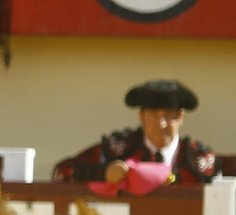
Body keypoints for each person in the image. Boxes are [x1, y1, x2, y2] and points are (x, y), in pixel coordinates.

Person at [52, 80, 217, 187]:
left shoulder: (199, 159)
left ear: (181, 116)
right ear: (141, 116)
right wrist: (104, 173)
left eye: (169, 115)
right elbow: (62, 172)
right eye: (154, 115)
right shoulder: (118, 148)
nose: (161, 124)